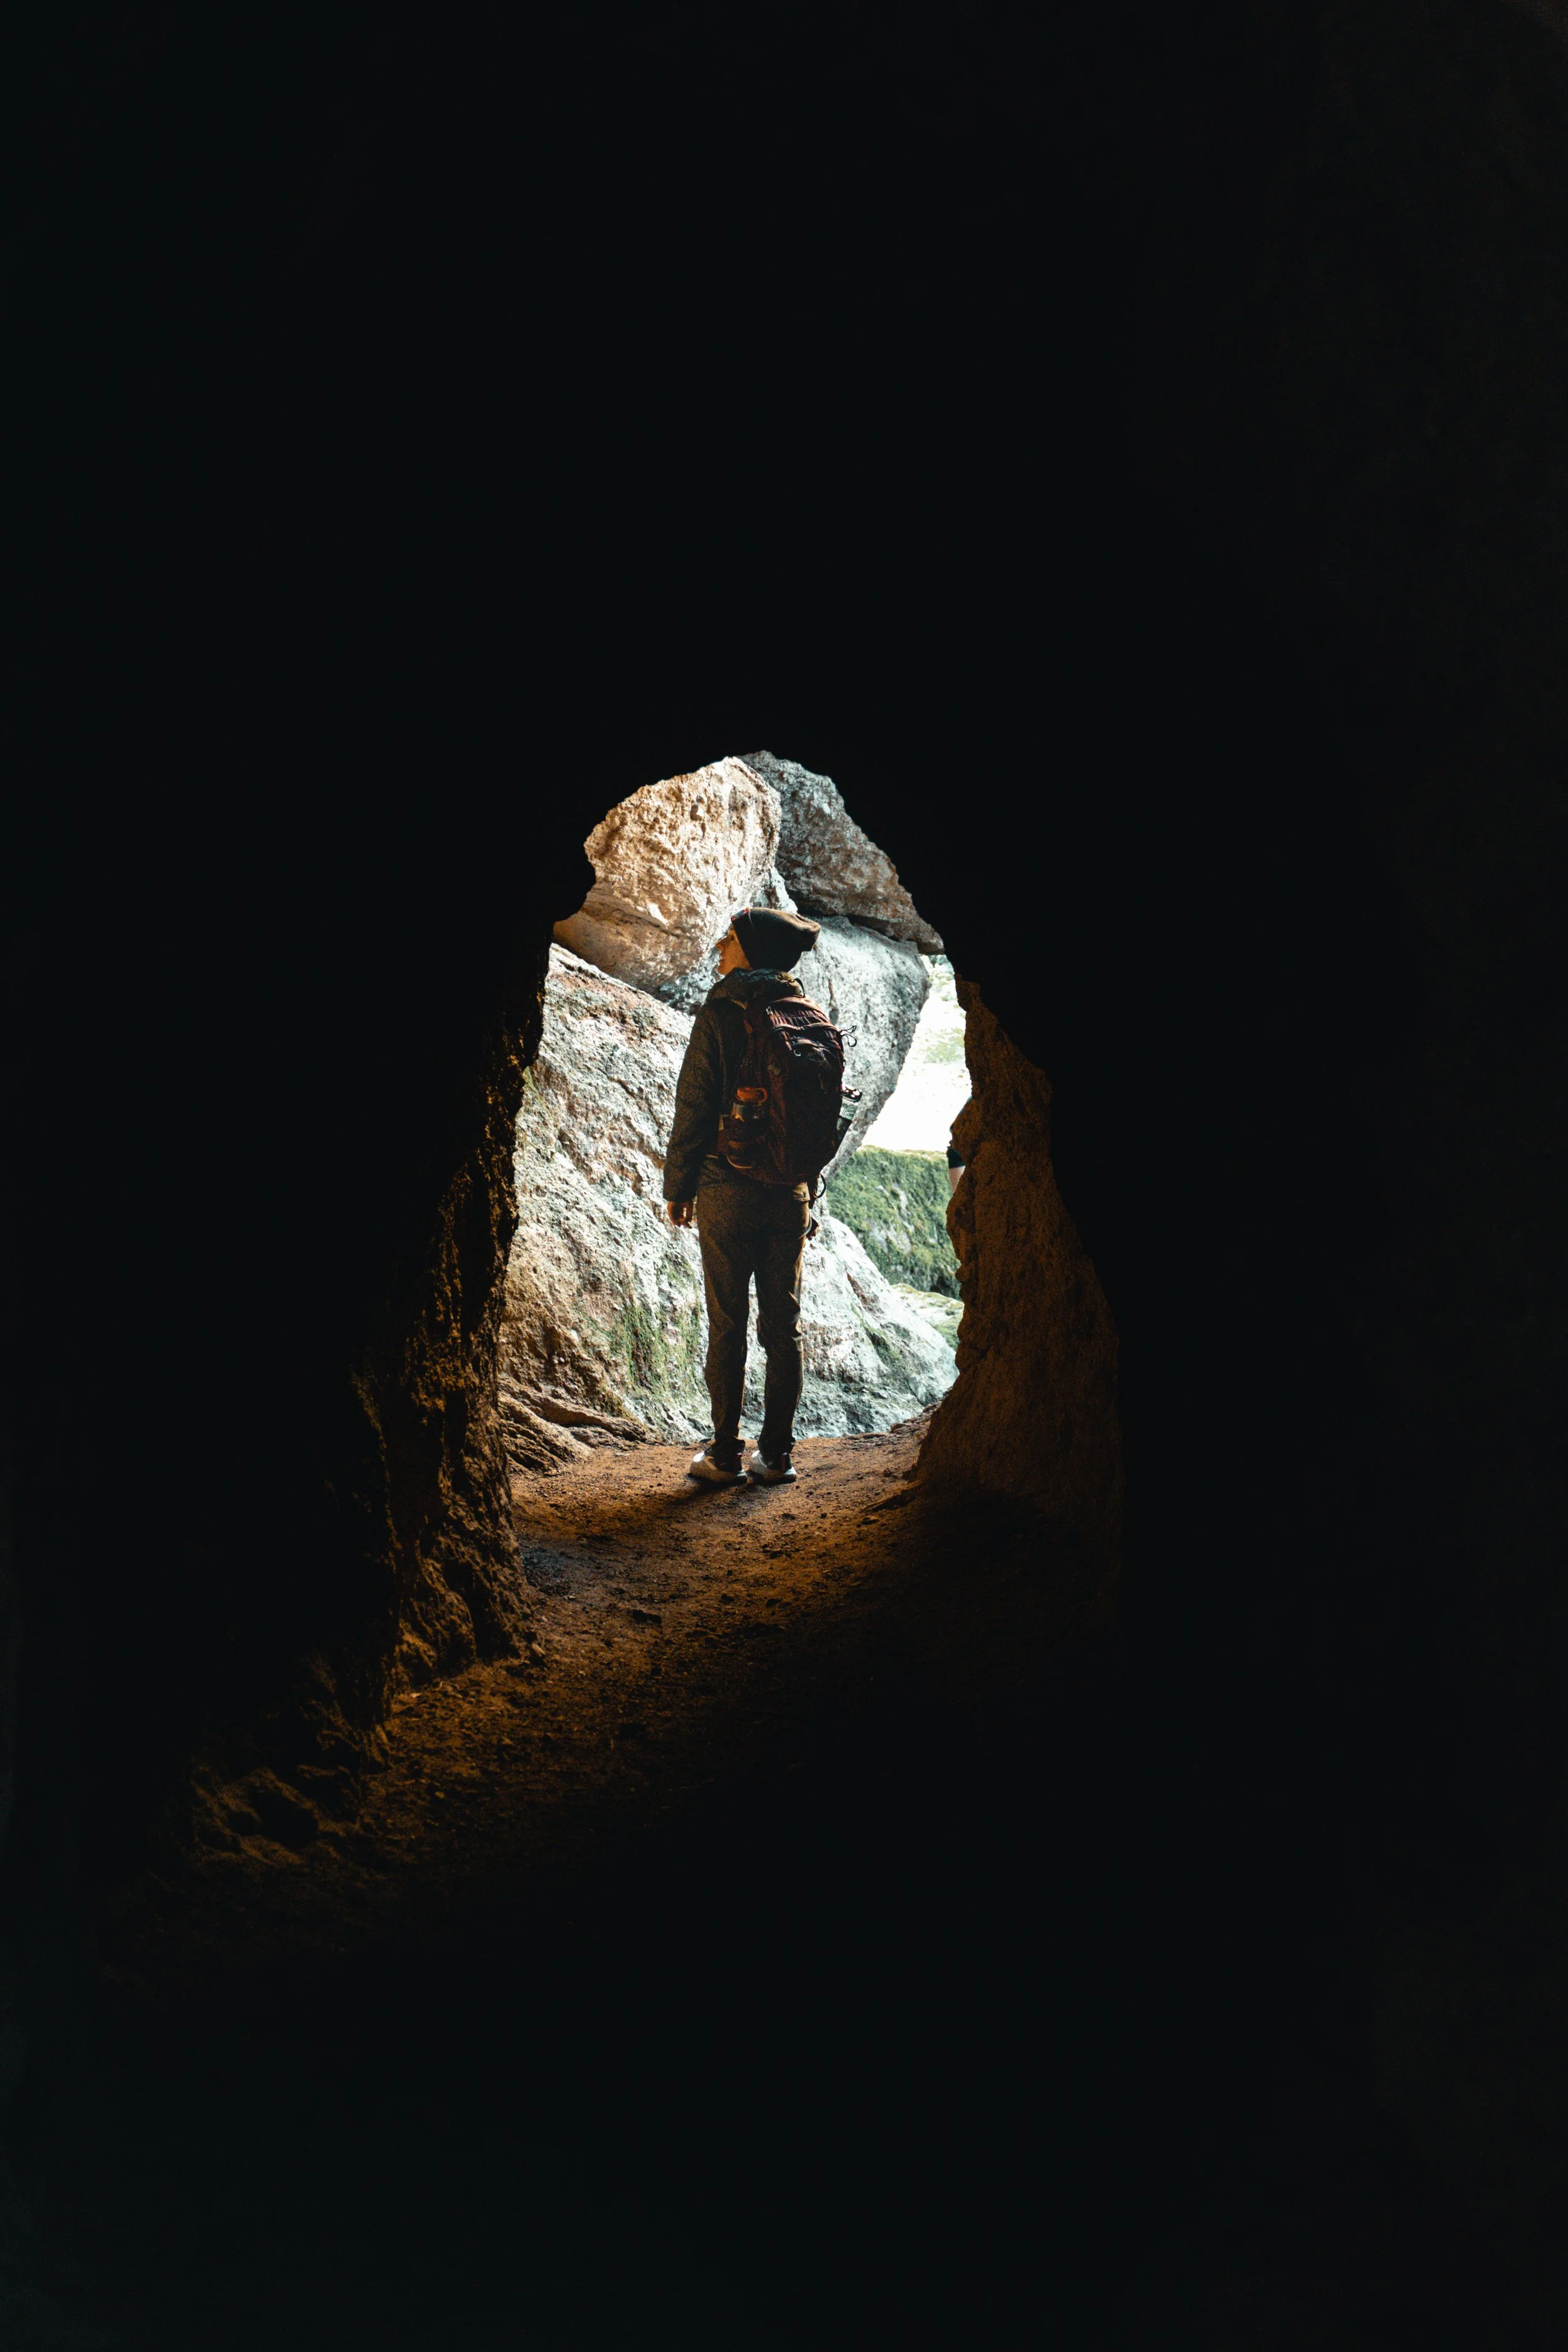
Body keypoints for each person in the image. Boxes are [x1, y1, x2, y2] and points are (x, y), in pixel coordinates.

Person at [664, 903, 824, 1487]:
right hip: (790, 1192)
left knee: (728, 1323)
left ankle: (725, 1455)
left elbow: (696, 1103)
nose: (719, 949)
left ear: (750, 951)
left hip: (727, 1187)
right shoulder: (806, 1012)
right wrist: (807, 1190)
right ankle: (777, 1455)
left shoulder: (724, 1011)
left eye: (729, 939)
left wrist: (678, 1186)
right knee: (784, 1326)